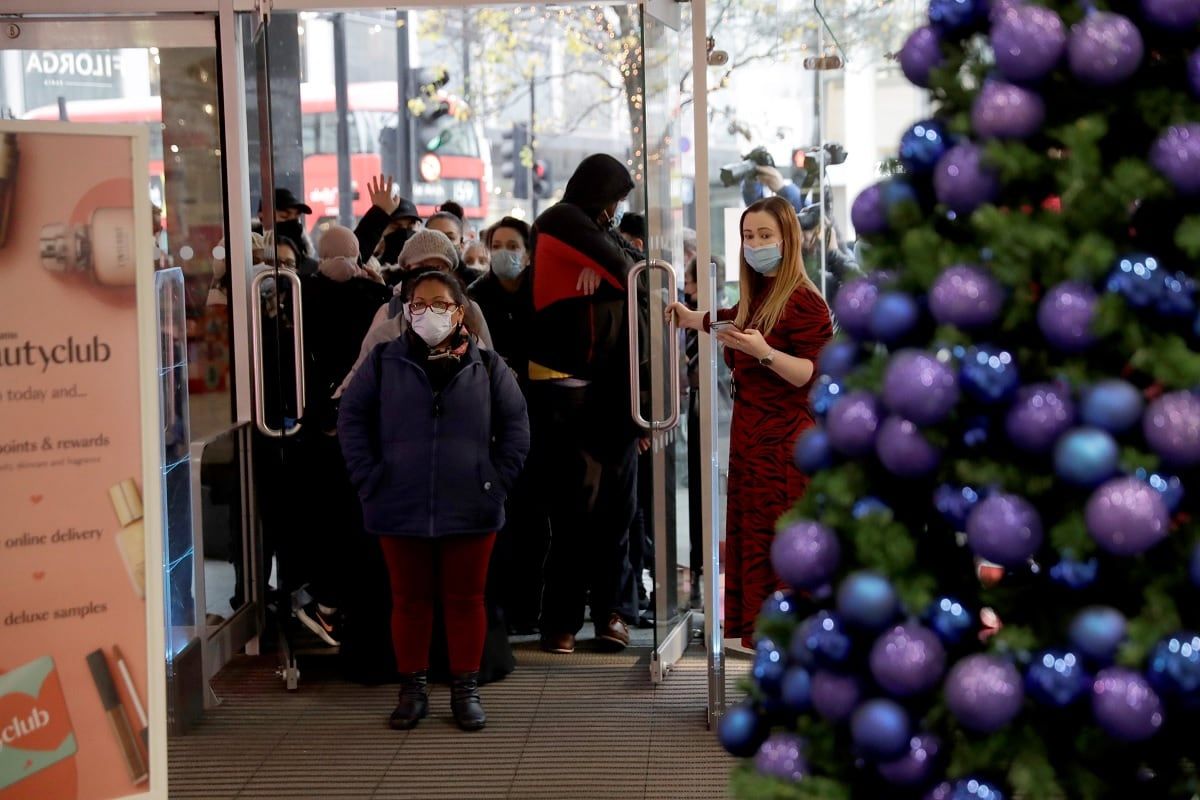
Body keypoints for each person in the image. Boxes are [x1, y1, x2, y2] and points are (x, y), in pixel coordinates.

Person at [338, 270, 530, 732]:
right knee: (409, 602)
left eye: (440, 303)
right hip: (397, 504)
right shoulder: (383, 360)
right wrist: (370, 480)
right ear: (406, 310)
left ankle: (465, 690)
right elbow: (352, 419)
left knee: (466, 600)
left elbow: (517, 428)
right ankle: (412, 690)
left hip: (472, 505)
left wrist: (494, 482)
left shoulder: (487, 365)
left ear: (459, 311)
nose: (429, 313)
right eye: (418, 304)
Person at [667, 195, 833, 648]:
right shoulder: (758, 293)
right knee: (757, 546)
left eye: (765, 235)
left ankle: (793, 654)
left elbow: (810, 374)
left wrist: (763, 353)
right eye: (748, 236)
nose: (755, 244)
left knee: (781, 549)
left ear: (787, 240)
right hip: (752, 442)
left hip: (785, 447)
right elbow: (732, 322)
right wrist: (691, 318)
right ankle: (770, 653)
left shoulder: (805, 301)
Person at [527, 153, 642, 654]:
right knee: (575, 514)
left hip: (611, 393)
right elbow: (627, 269)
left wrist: (607, 282)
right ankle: (565, 620)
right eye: (615, 200)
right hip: (569, 393)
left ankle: (608, 614)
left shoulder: (586, 229)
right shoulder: (559, 220)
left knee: (617, 512)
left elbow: (633, 274)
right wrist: (612, 278)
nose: (615, 212)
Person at [291, 225, 391, 645]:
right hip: (370, 425)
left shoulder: (301, 295)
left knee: (327, 518)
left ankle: (328, 602)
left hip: (317, 423)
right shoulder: (377, 300)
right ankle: (342, 605)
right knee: (361, 520)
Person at [468, 216, 546, 632]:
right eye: (496, 244)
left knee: (535, 521)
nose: (504, 252)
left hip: (540, 418)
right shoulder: (476, 297)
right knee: (501, 519)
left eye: (512, 245)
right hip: (493, 421)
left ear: (528, 251)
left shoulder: (542, 294)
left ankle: (529, 609)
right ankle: (498, 609)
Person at [337, 229, 495, 397]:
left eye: (437, 267)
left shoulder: (470, 310)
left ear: (450, 271)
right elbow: (360, 375)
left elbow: (491, 368)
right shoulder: (390, 312)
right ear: (407, 270)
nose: (428, 275)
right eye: (420, 267)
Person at [354, 174, 422, 276]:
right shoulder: (367, 268)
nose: (404, 233)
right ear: (382, 229)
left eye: (410, 227)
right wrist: (379, 213)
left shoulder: (427, 265)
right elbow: (350, 260)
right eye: (396, 227)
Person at [256, 187, 317, 275]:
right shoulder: (249, 257)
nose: (293, 223)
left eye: (297, 218)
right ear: (262, 216)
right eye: (284, 216)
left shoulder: (310, 267)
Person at [426, 210, 477, 288]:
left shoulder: (478, 284)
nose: (442, 242)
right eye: (434, 236)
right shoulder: (409, 281)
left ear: (461, 244)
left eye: (450, 237)